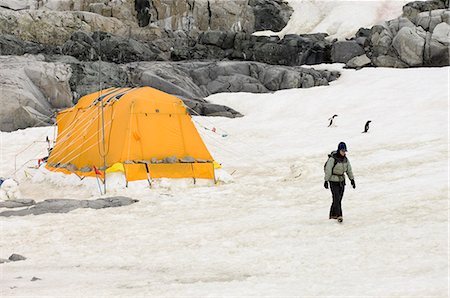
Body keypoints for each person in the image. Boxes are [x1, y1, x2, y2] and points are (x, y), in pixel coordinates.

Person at [324, 142, 355, 222]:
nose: (344, 152)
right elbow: (328, 170)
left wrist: (352, 179)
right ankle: (339, 215)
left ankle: (332, 214)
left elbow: (349, 170)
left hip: (341, 181)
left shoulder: (345, 160)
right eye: (342, 151)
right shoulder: (332, 159)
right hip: (333, 181)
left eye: (345, 151)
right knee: (336, 198)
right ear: (339, 150)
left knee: (338, 199)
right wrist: (326, 181)